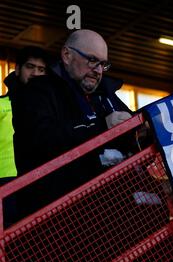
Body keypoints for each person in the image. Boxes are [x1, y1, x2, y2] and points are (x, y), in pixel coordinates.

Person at [11, 29, 133, 221]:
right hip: (53, 219)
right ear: (67, 55)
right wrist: (101, 127)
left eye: (103, 64)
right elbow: (42, 139)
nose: (98, 70)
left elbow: (133, 134)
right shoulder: (37, 91)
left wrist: (143, 129)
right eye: (92, 60)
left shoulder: (106, 97)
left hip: (108, 216)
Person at [1, 46, 49, 227]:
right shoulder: (1, 105)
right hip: (5, 187)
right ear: (18, 69)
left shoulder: (52, 112)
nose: (36, 73)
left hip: (40, 187)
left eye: (41, 69)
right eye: (31, 67)